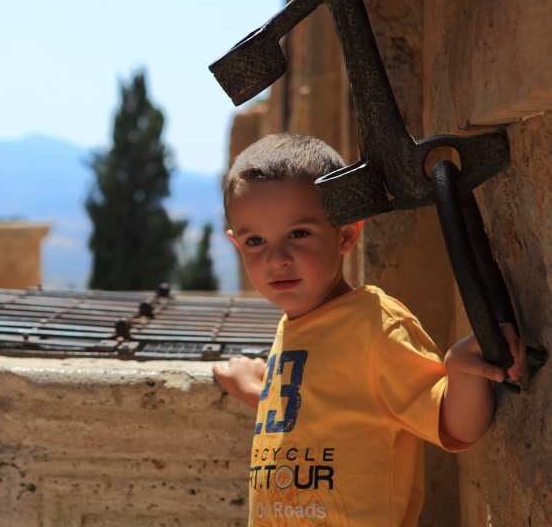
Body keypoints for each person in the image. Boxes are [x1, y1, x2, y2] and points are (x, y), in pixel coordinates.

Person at [213, 133, 526, 526]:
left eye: (299, 233)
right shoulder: (292, 328)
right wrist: (255, 390)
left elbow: (455, 424)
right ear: (236, 244)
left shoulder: (375, 327)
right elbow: (320, 413)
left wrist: (460, 370)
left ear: (346, 233)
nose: (277, 259)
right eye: (255, 240)